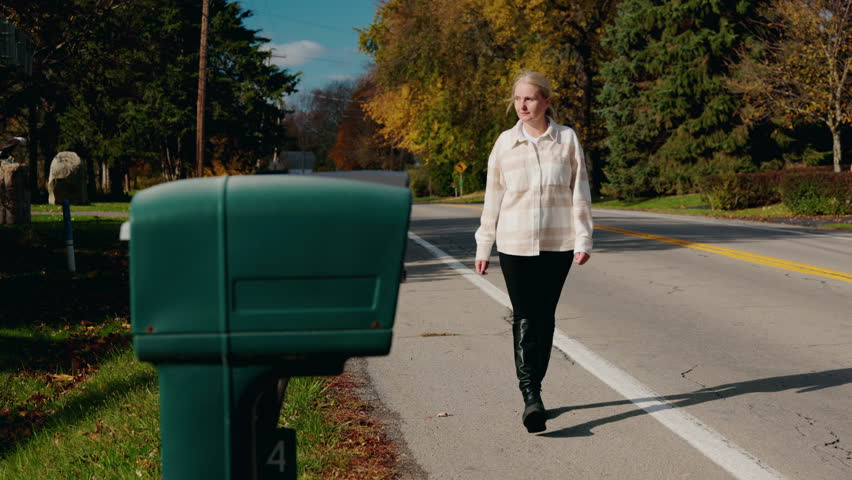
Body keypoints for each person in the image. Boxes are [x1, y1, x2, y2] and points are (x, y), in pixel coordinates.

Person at [474, 71, 593, 433]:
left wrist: (584, 238)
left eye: (529, 99)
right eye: (517, 99)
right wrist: (484, 244)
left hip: (558, 244)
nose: (522, 105)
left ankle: (534, 389)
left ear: (546, 102)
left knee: (546, 317)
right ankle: (531, 395)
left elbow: (580, 193)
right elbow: (492, 199)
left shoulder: (567, 140)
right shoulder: (504, 144)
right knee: (525, 315)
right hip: (514, 245)